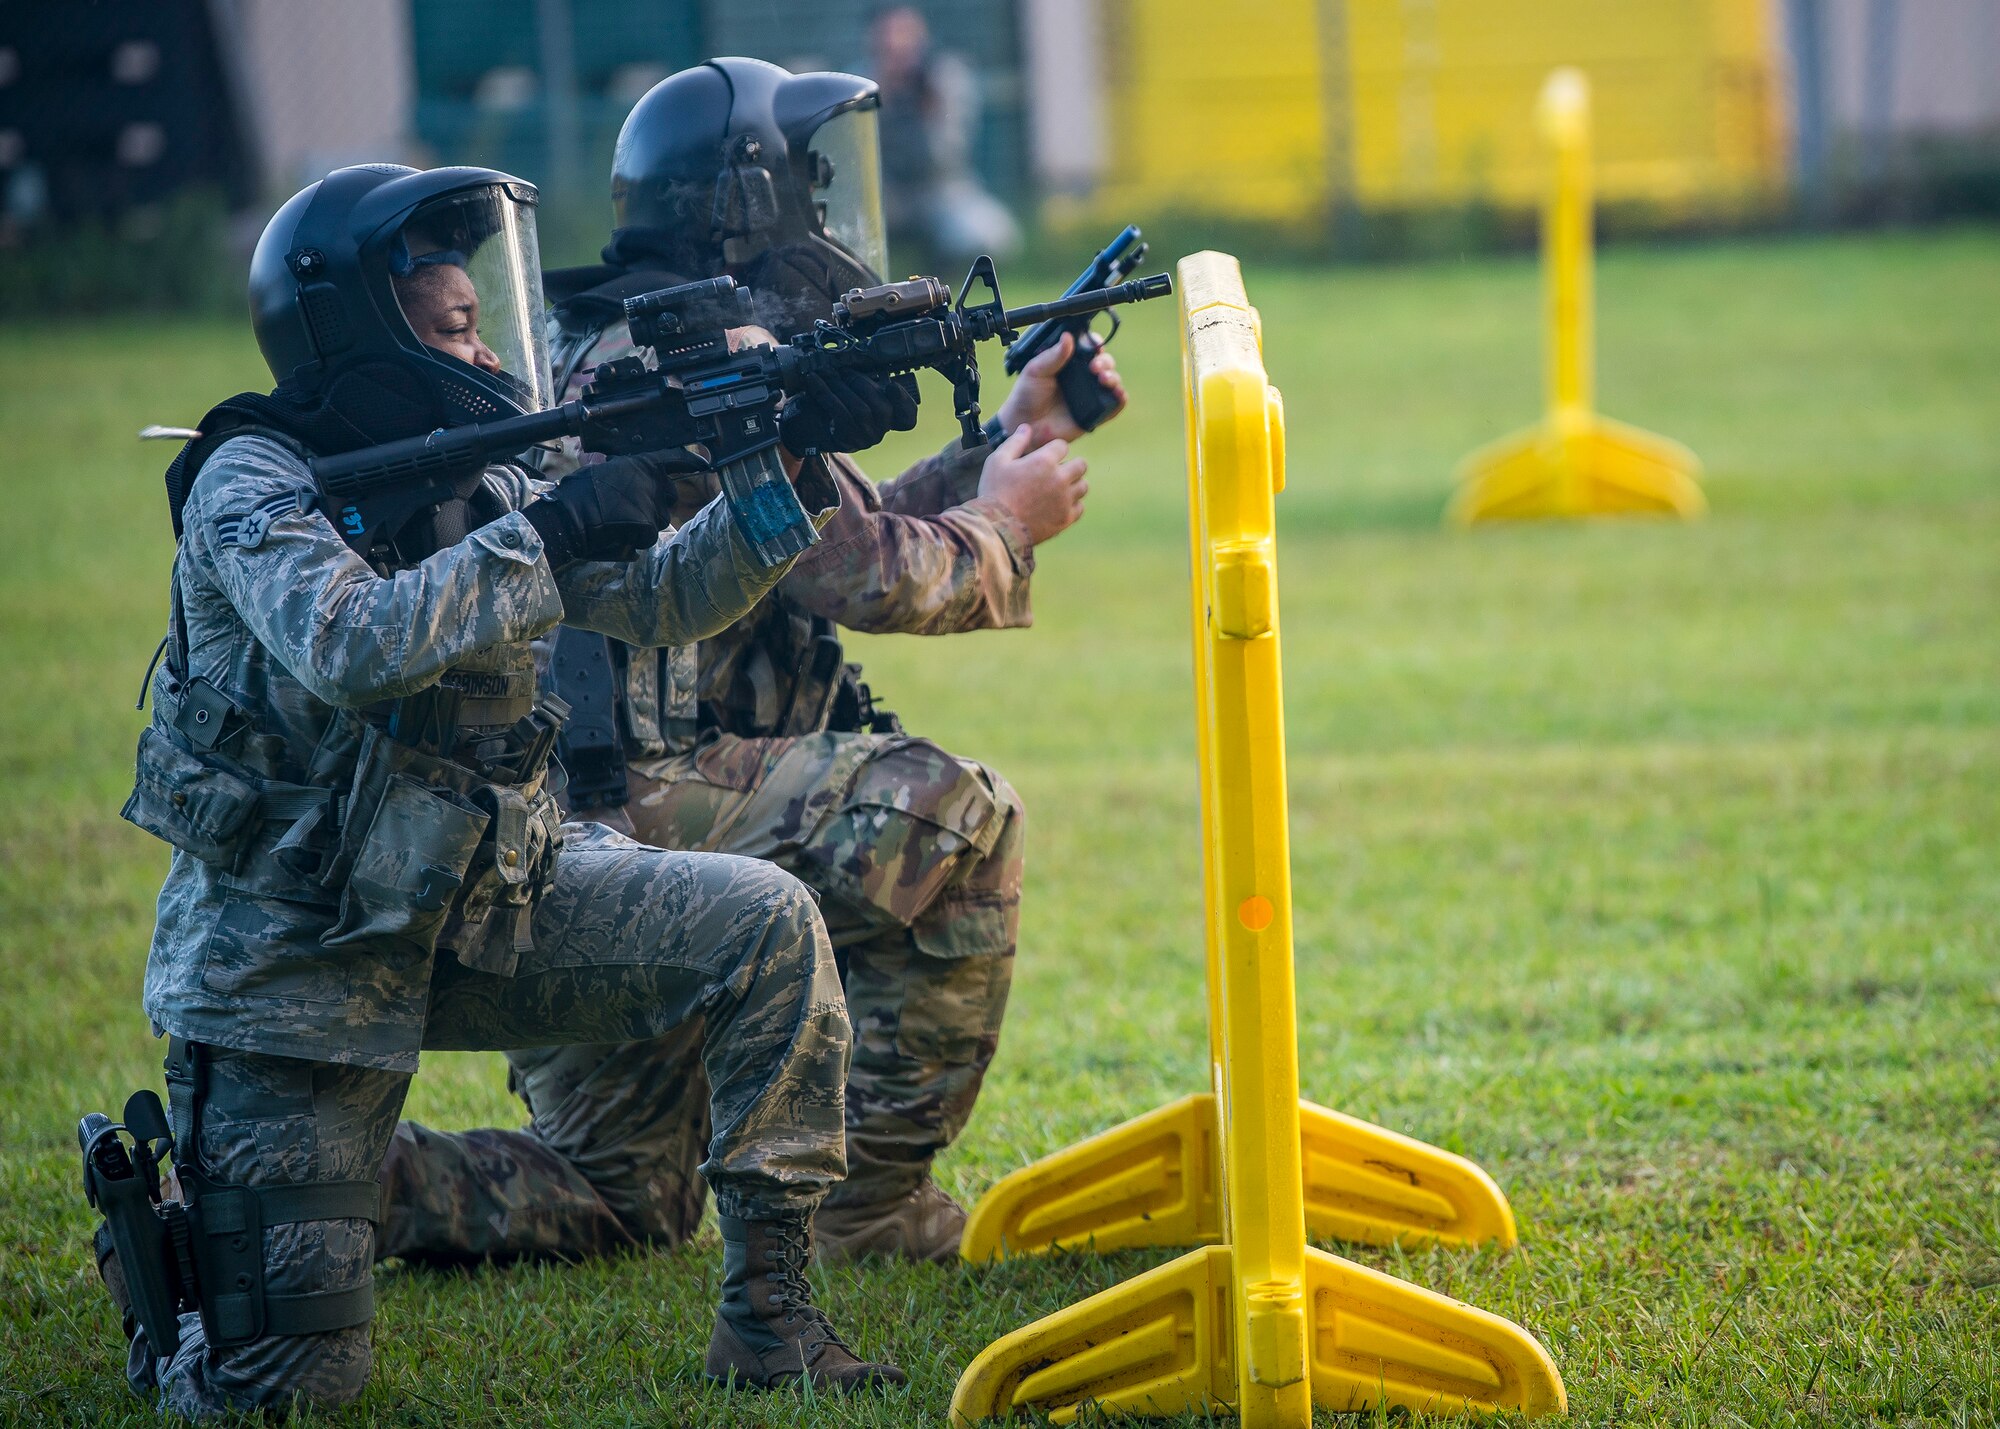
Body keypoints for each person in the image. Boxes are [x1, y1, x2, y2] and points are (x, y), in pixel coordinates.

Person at [85, 162, 907, 1416]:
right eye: (459, 329)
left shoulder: (483, 472)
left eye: (490, 319)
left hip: (490, 906)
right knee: (289, 1391)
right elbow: (353, 640)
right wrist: (556, 528)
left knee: (764, 922)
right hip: (294, 967)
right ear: (358, 330)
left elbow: (663, 596)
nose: (491, 354)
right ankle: (206, 1230)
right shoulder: (252, 482)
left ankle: (773, 1321)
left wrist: (777, 460)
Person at [373, 58, 1127, 1270]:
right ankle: (864, 1210)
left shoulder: (636, 334)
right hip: (633, 804)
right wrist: (1009, 522)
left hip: (583, 810)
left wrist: (1010, 437)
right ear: (747, 200)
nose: (837, 222)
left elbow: (823, 522)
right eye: (820, 187)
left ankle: (321, 1185)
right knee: (952, 820)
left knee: (622, 1198)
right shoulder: (684, 361)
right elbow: (860, 573)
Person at [869, 4, 1021, 270]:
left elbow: (946, 158)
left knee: (990, 237)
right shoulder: (865, 84)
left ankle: (945, 273)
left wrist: (930, 112)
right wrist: (885, 99)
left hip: (943, 192)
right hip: (887, 196)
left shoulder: (946, 79)